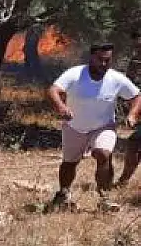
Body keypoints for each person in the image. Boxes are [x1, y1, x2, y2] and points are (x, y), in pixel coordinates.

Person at [47, 42, 141, 212]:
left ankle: (104, 198)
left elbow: (136, 96)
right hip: (74, 126)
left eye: (108, 60)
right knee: (69, 163)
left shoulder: (116, 78)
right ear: (91, 57)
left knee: (103, 154)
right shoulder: (75, 74)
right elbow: (54, 90)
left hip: (103, 126)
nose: (104, 64)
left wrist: (133, 114)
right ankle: (63, 194)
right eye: (100, 60)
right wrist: (61, 107)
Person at [114, 30, 141, 188]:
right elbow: (131, 88)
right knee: (134, 144)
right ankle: (123, 181)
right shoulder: (135, 61)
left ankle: (123, 181)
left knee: (135, 143)